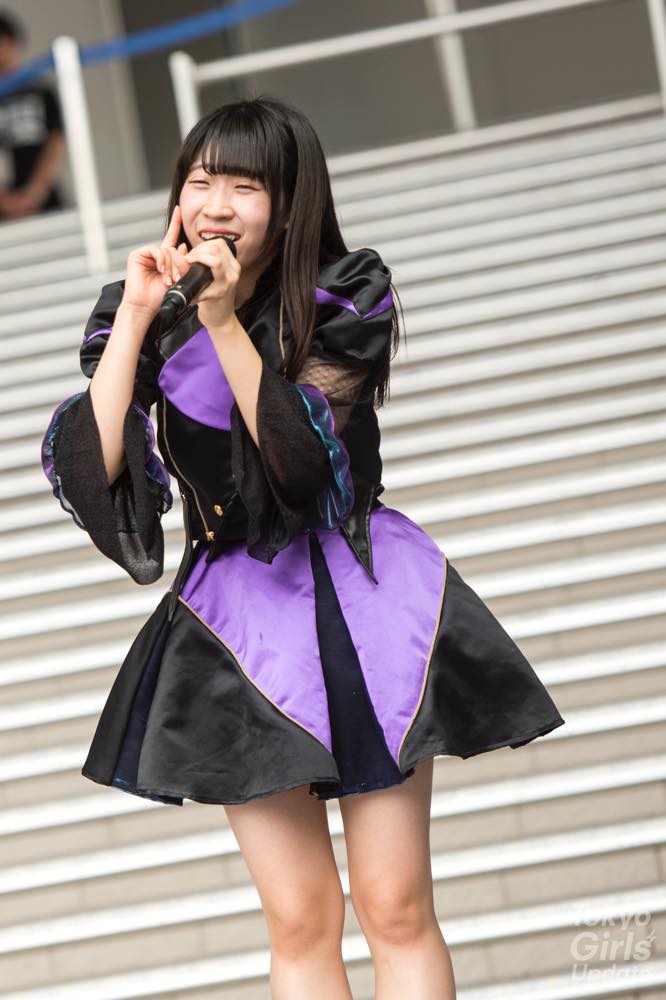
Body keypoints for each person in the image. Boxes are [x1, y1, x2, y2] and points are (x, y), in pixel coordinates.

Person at [41, 95, 565, 999]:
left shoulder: (345, 291)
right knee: (298, 919)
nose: (216, 205)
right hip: (237, 622)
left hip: (364, 596)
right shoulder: (144, 311)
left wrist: (221, 320)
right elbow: (98, 470)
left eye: (245, 187)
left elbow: (297, 460)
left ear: (289, 204)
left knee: (394, 906)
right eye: (201, 181)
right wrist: (138, 316)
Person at [0, 10, 65, 219]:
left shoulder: (40, 91)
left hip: (45, 198)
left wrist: (34, 193)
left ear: (12, 43)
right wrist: (5, 201)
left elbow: (56, 141)